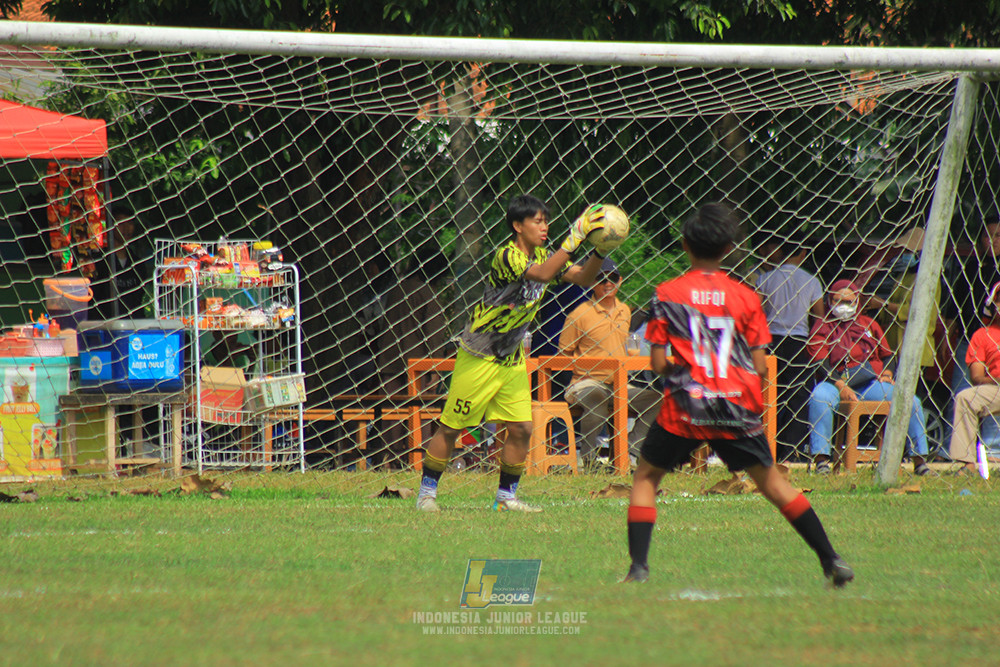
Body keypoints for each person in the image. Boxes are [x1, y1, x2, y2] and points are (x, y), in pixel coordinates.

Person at [624, 202, 853, 588]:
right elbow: (761, 366)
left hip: (686, 404)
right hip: (735, 404)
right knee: (774, 484)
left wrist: (684, 372)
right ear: (729, 249)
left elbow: (659, 363)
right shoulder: (747, 297)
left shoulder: (667, 294)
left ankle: (639, 569)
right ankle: (832, 560)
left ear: (684, 245)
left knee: (646, 476)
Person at [415, 194, 609, 512]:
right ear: (518, 226)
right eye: (537, 221)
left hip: (512, 357)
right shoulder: (507, 255)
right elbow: (542, 274)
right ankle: (426, 494)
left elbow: (584, 278)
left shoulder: (545, 255)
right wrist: (573, 239)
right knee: (451, 427)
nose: (544, 227)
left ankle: (506, 498)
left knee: (521, 428)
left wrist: (599, 250)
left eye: (546, 221)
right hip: (480, 353)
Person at [805, 280, 930, 475]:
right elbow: (820, 362)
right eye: (838, 301)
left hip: (870, 383)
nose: (843, 306)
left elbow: (888, 354)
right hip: (835, 382)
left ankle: (920, 461)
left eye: (848, 302)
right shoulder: (823, 326)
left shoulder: (868, 324)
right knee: (818, 397)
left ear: (857, 301)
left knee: (909, 400)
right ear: (829, 301)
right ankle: (821, 461)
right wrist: (841, 386)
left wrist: (887, 373)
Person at [558, 257, 661, 468]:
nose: (607, 283)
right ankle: (588, 460)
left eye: (612, 278)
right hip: (585, 382)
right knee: (597, 398)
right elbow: (563, 355)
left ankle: (629, 450)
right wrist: (588, 365)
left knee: (659, 401)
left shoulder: (625, 311)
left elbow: (626, 346)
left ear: (620, 281)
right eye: (601, 279)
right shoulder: (579, 314)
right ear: (591, 283)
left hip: (619, 383)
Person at [755, 235, 824, 459]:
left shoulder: (765, 278)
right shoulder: (812, 281)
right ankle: (791, 450)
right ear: (802, 253)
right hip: (799, 343)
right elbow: (819, 316)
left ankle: (765, 446)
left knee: (769, 394)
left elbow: (757, 311)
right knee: (798, 396)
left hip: (770, 342)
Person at [943, 215, 1000, 450]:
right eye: (988, 235)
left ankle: (993, 450)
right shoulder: (971, 268)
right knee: (961, 393)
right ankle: (954, 449)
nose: (993, 241)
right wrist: (947, 337)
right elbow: (954, 306)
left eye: (998, 236)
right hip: (969, 340)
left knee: (994, 395)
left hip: (996, 344)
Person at [949, 281, 1000, 475]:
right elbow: (977, 377)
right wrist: (996, 379)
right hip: (996, 388)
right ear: (993, 305)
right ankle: (967, 463)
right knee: (965, 397)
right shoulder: (982, 335)